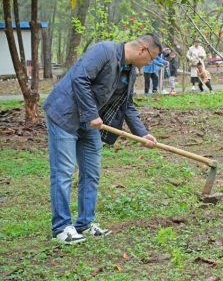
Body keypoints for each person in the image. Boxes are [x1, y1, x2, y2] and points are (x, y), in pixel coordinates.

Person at [42, 33, 161, 244]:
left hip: (90, 123)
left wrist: (142, 133)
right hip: (65, 115)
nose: (151, 63)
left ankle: (85, 224)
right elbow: (80, 79)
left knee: (91, 173)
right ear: (143, 49)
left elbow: (127, 105)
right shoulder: (104, 50)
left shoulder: (130, 71)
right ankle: (61, 228)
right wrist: (91, 114)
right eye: (152, 57)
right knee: (64, 172)